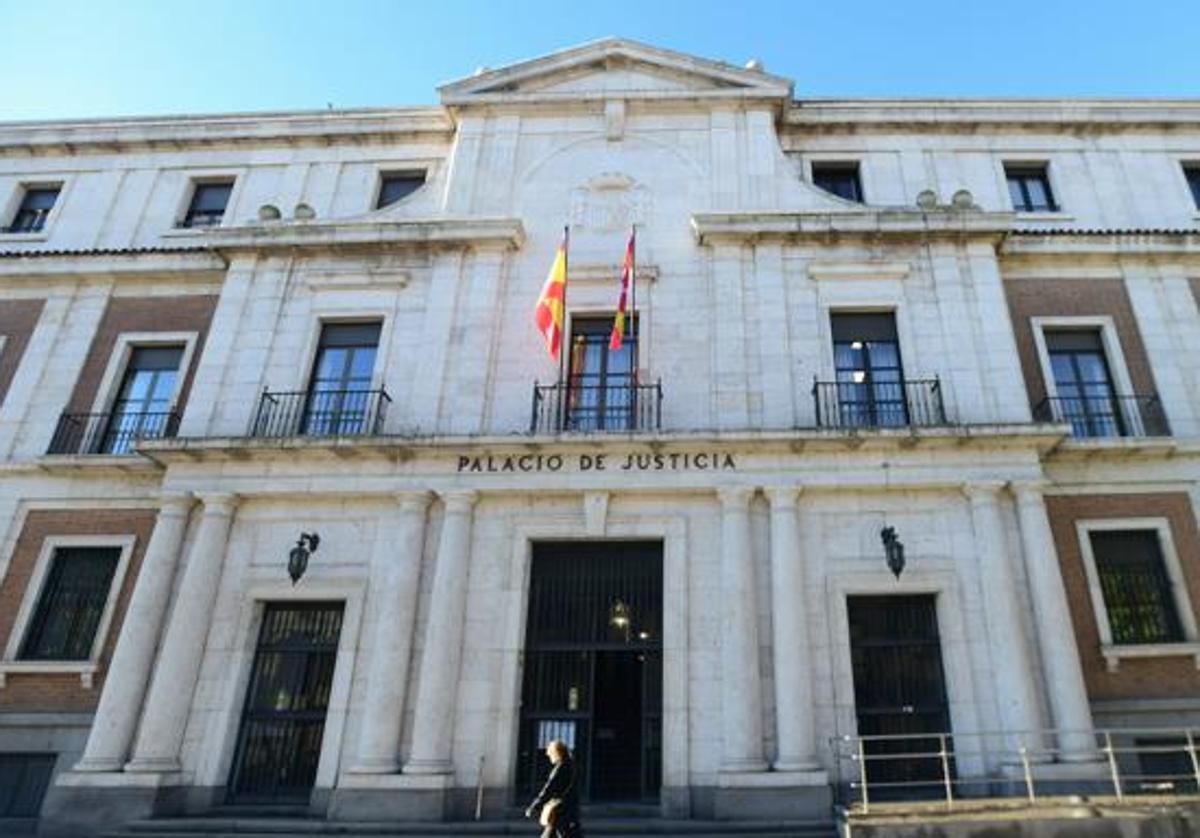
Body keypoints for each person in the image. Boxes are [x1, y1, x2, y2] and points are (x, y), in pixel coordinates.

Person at [524, 739, 583, 838]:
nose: (548, 756)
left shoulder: (561, 768)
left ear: (556, 753)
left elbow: (549, 788)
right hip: (569, 810)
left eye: (550, 753)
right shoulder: (572, 766)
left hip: (561, 811)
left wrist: (535, 806)